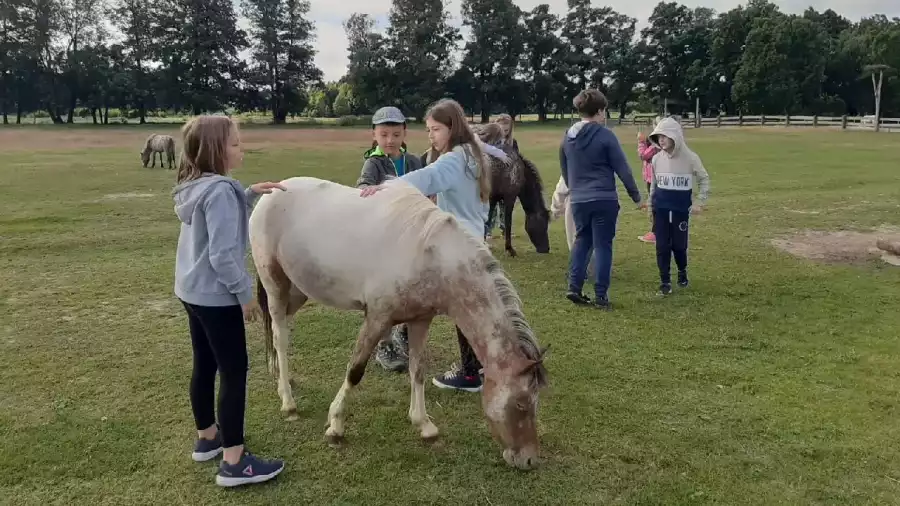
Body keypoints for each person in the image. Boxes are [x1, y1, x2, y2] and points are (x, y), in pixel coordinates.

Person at [360, 98, 508, 393]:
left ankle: (469, 373)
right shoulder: (473, 153)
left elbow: (426, 178)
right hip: (473, 240)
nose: (431, 136)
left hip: (457, 247)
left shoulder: (453, 158)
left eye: (435, 129)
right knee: (470, 305)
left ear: (452, 127)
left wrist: (384, 188)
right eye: (428, 130)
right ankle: (480, 364)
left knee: (459, 307)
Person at [172, 115, 287, 487]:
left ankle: (208, 437)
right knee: (234, 372)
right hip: (216, 296)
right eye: (236, 143)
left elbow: (218, 217)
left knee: (204, 364)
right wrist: (244, 295)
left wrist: (249, 193)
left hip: (191, 291)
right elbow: (223, 256)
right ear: (216, 150)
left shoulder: (199, 184)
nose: (241, 148)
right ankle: (234, 462)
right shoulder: (220, 191)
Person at [559, 89, 643, 310]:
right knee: (603, 246)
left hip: (578, 200)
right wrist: (636, 197)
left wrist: (575, 190)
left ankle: (574, 287)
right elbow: (622, 168)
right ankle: (600, 295)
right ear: (599, 110)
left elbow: (565, 170)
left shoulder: (568, 137)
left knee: (581, 240)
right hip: (603, 198)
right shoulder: (605, 135)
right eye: (604, 110)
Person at [356, 106, 425, 372]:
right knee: (383, 296)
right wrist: (377, 189)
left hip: (411, 238)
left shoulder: (415, 161)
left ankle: (403, 335)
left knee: (411, 289)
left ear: (404, 133)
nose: (390, 140)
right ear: (374, 134)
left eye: (396, 134)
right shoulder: (373, 163)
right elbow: (362, 189)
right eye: (384, 134)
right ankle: (383, 346)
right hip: (384, 241)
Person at [647, 116, 710, 296]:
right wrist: (651, 205)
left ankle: (682, 271)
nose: (661, 140)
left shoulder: (691, 158)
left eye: (665, 136)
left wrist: (700, 202)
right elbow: (654, 185)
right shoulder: (657, 159)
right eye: (658, 136)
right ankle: (664, 281)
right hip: (661, 210)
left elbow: (704, 180)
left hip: (681, 211)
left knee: (679, 246)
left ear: (675, 136)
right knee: (662, 246)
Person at [550, 175, 595, 279]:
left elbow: (562, 188)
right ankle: (594, 269)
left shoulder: (573, 160)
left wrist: (556, 209)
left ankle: (579, 271)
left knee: (577, 238)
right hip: (603, 199)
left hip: (577, 201)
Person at [637, 122, 661, 243]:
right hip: (652, 178)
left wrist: (641, 142)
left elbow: (643, 155)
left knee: (655, 205)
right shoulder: (658, 143)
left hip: (654, 179)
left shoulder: (657, 145)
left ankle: (656, 233)